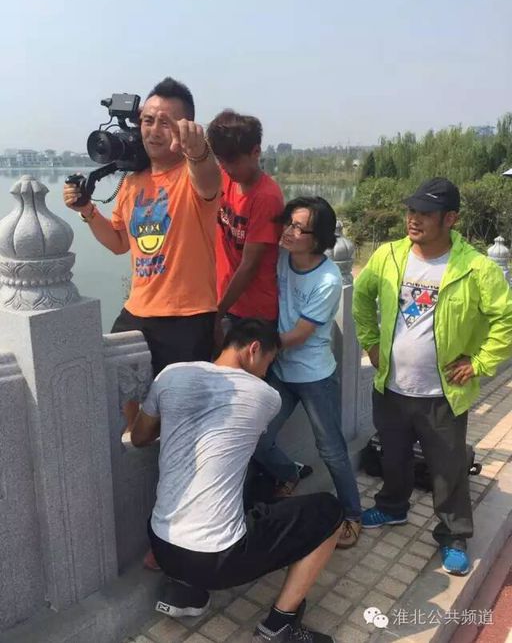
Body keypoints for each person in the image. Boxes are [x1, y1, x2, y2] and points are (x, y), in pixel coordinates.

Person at [131, 318, 344, 643]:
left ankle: (186, 592)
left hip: (161, 545)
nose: (265, 372)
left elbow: (139, 437)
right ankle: (280, 626)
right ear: (254, 349)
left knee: (230, 489)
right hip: (217, 559)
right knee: (329, 511)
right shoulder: (266, 396)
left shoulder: (171, 375)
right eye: (268, 363)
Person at [353, 177, 512, 576]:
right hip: (391, 387)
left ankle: (453, 534)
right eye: (412, 210)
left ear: (450, 218)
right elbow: (362, 296)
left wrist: (479, 363)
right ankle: (393, 506)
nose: (414, 219)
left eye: (425, 213)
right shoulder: (389, 256)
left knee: (448, 468)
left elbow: (506, 319)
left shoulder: (475, 267)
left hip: (442, 393)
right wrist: (370, 341)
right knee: (394, 456)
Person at [63, 76, 220, 422]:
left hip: (187, 318)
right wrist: (88, 211)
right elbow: (120, 243)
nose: (153, 130)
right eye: (147, 120)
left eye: (166, 122)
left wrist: (199, 151)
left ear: (185, 128)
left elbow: (209, 178)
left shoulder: (192, 175)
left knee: (180, 416)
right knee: (118, 397)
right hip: (137, 313)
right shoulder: (132, 182)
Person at [254, 197, 362, 549]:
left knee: (331, 450)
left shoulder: (328, 279)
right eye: (289, 223)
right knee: (258, 437)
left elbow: (300, 334)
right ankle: (291, 472)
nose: (289, 231)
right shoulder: (282, 258)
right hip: (282, 372)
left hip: (315, 377)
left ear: (319, 239)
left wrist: (253, 350)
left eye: (299, 228)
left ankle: (353, 514)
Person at [207, 109, 284, 331]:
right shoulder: (224, 178)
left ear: (255, 152)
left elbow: (249, 266)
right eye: (222, 161)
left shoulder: (266, 197)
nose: (227, 168)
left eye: (233, 161)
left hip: (254, 314)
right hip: (225, 301)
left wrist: (218, 314)